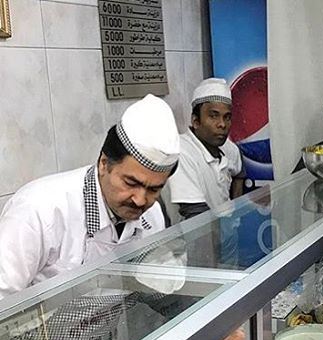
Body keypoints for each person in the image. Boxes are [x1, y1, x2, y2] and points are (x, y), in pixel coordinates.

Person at [0, 94, 180, 300]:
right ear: (104, 163)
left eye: (154, 189)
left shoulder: (153, 215)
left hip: (106, 330)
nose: (140, 200)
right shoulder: (38, 210)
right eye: (131, 183)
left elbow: (153, 287)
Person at [166, 77, 244, 220]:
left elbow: (240, 173)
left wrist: (234, 211)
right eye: (214, 116)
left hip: (228, 235)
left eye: (227, 117)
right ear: (196, 121)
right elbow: (195, 213)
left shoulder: (228, 147)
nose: (222, 124)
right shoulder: (182, 152)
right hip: (199, 238)